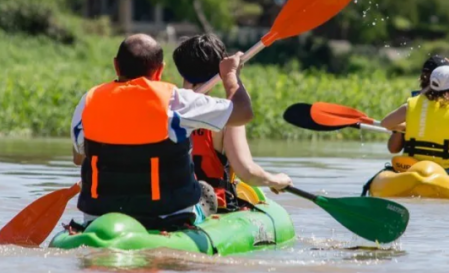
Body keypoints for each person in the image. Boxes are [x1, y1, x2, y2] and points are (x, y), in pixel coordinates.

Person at [69, 33, 254, 230]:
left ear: (116, 65)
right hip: (166, 216)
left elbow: (79, 158)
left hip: (98, 216)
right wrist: (231, 75)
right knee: (202, 192)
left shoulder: (88, 101)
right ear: (160, 71)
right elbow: (243, 112)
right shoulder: (176, 101)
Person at [172, 34, 292, 214]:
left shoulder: (165, 109)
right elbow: (248, 172)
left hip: (172, 203)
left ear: (180, 69)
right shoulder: (225, 115)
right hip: (214, 207)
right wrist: (276, 180)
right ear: (218, 72)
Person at [380, 55, 449, 176]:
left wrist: (408, 126)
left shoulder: (412, 104)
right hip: (443, 172)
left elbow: (385, 124)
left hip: (409, 168)